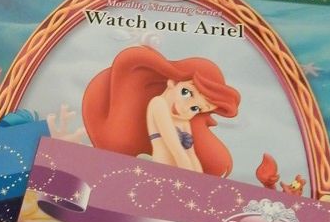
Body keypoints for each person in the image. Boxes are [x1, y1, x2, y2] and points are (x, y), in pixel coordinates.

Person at [82, 46, 241, 175]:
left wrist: (198, 178)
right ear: (172, 82)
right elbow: (175, 146)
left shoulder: (183, 120)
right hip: (163, 171)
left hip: (181, 173)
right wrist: (189, 175)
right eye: (186, 93)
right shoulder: (158, 104)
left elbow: (190, 152)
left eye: (196, 108)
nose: (185, 107)